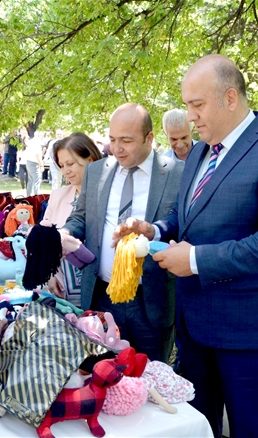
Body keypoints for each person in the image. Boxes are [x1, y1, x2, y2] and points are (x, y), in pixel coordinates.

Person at [114, 55, 258, 437]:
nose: (190, 117)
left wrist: (197, 259)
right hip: (196, 328)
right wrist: (152, 230)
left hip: (249, 334)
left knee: (251, 429)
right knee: (196, 426)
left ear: (230, 98)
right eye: (187, 105)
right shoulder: (201, 151)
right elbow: (183, 217)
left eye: (197, 105)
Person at [62, 103, 184, 363]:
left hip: (151, 301)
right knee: (101, 376)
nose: (117, 148)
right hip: (101, 297)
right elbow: (80, 216)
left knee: (150, 380)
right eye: (113, 139)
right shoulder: (97, 172)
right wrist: (65, 232)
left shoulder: (176, 174)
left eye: (127, 141)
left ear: (149, 138)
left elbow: (180, 225)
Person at [40, 132, 103, 307]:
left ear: (90, 160)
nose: (66, 170)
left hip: (100, 291)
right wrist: (49, 274)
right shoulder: (57, 196)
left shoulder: (107, 197)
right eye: (61, 165)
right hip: (63, 291)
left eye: (70, 163)